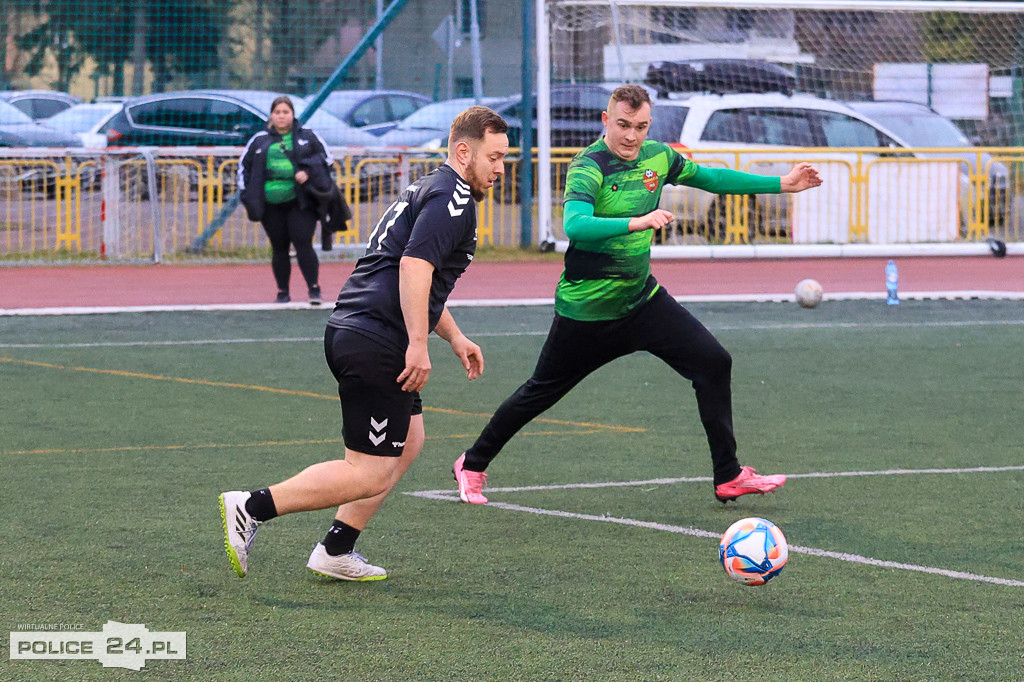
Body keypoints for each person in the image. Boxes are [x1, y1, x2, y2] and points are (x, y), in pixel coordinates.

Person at [452, 84, 822, 505]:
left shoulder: (658, 156)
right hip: (587, 311)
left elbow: (711, 178)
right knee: (540, 392)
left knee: (714, 363)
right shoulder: (588, 165)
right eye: (624, 125)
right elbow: (574, 225)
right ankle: (472, 463)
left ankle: (728, 474)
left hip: (642, 302)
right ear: (606, 121)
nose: (631, 136)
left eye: (641, 127)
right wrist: (636, 222)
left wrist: (783, 184)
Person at [220, 105, 510, 580]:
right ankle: (250, 507)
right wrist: (418, 343)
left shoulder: (430, 188)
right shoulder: (451, 199)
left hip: (359, 328)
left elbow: (419, 276)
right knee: (369, 469)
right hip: (377, 339)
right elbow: (413, 269)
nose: (500, 168)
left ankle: (336, 550)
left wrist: (452, 335)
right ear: (464, 151)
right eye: (494, 157)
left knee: (409, 442)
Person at [238, 95, 333, 305]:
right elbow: (244, 167)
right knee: (279, 246)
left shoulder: (308, 137)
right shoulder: (259, 140)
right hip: (271, 204)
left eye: (285, 112)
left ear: (292, 115)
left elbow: (327, 160)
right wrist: (248, 196)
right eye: (277, 112)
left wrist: (307, 171)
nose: (281, 116)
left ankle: (314, 289)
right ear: (271, 115)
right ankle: (282, 291)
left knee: (302, 241)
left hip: (301, 202)